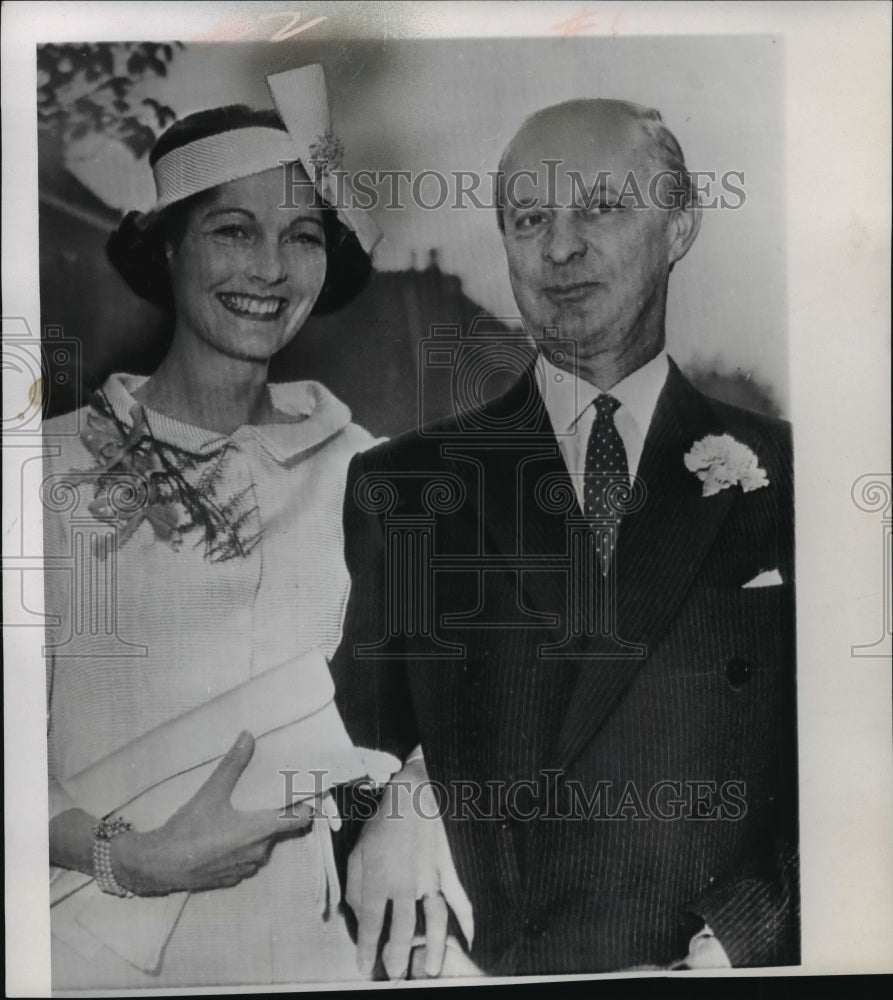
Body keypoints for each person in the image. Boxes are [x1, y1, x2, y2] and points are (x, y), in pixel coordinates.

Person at [331, 98, 798, 975]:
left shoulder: (790, 475)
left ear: (680, 225)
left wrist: (729, 945)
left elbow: (853, 777)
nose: (559, 248)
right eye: (529, 218)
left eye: (601, 207)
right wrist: (396, 792)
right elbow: (350, 753)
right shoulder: (405, 485)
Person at [42, 64, 396, 989]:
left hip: (308, 943)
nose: (270, 271)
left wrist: (416, 807)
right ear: (167, 249)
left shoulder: (365, 465)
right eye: (232, 230)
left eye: (302, 236)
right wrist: (132, 859)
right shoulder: (44, 466)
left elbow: (443, 689)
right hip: (91, 938)